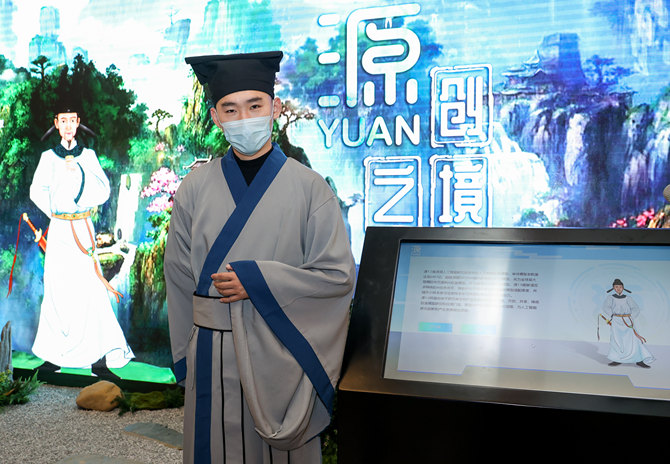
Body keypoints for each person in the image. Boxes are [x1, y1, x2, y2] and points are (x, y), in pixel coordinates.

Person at [165, 51, 355, 463]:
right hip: (211, 353)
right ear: (216, 117)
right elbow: (178, 278)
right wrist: (184, 355)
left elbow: (337, 277)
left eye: (254, 106)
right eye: (230, 109)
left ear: (275, 108)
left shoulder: (311, 189)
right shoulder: (193, 188)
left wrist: (259, 280)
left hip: (279, 352)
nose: (244, 118)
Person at [29, 104, 134, 374]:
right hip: (59, 229)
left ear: (78, 123)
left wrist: (79, 185)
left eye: (71, 120)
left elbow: (103, 190)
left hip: (83, 227)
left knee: (91, 288)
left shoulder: (88, 156)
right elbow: (36, 191)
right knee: (56, 289)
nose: (67, 126)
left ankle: (98, 359)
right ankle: (53, 357)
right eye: (62, 120)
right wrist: (57, 212)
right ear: (56, 123)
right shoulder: (47, 158)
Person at [601, 278, 654, 368]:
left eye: (620, 287)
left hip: (627, 320)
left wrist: (631, 317)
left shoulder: (628, 298)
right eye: (616, 287)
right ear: (613, 288)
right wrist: (612, 315)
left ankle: (639, 360)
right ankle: (617, 359)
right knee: (617, 340)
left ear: (623, 287)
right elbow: (606, 307)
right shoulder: (610, 298)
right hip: (616, 321)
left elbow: (635, 308)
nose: (618, 288)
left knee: (634, 340)